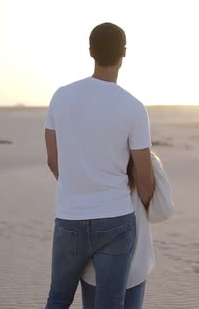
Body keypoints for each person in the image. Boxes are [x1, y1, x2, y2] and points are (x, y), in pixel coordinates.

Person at [44, 22, 155, 308]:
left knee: (57, 299)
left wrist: (79, 186)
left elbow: (53, 161)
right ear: (124, 53)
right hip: (116, 219)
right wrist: (144, 205)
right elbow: (145, 176)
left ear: (90, 51)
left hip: (69, 217)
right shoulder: (133, 107)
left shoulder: (60, 96)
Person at [80, 151, 173, 309]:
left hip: (92, 263)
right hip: (135, 262)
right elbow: (162, 211)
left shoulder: (89, 155)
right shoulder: (145, 158)